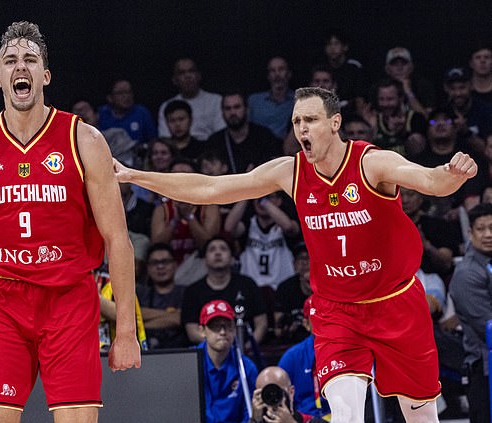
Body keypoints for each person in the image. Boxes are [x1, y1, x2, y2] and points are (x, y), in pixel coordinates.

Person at [114, 86, 479, 422]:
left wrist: (453, 173)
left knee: (421, 416)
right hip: (337, 310)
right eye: (296, 121)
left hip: (395, 302)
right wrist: (135, 175)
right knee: (346, 411)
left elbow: (431, 181)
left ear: (335, 123)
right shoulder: (290, 172)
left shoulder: (371, 163)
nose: (302, 129)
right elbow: (211, 187)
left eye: (311, 120)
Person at [0, 21, 140, 422]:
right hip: (0, 301)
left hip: (69, 299)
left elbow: (119, 239)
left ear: (45, 75)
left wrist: (127, 332)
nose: (20, 67)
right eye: (10, 61)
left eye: (30, 59)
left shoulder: (85, 139)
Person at [449, 202, 492, 423]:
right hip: (484, 372)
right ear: (470, 232)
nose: (488, 234)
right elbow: (487, 325)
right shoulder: (467, 274)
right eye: (481, 228)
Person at [181, 236, 267, 346]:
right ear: (204, 260)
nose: (217, 253)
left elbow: (261, 324)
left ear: (232, 258)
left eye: (223, 249)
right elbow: (192, 332)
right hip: (208, 353)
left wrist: (246, 348)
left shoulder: (248, 284)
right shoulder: (193, 291)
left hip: (246, 350)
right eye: (212, 250)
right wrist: (220, 347)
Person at [198, 299, 258, 423]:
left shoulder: (246, 367)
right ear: (202, 330)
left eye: (228, 326)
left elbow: (250, 414)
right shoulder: (189, 364)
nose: (223, 332)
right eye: (215, 326)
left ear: (235, 330)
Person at [278, 297, 330, 421]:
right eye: (316, 318)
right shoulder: (292, 357)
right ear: (306, 324)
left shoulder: (347, 352)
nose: (323, 321)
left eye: (327, 315)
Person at [206, 91, 282, 174]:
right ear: (222, 112)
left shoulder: (264, 136)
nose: (232, 113)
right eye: (228, 108)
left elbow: (276, 167)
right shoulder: (214, 141)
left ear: (247, 109)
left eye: (237, 107)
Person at [157, 57, 225, 141]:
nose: (187, 76)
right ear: (174, 80)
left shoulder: (216, 101)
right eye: (182, 73)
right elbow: (165, 141)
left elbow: (221, 135)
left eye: (191, 71)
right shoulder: (166, 106)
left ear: (199, 76)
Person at [135, 243, 187, 349]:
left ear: (175, 265)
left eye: (165, 262)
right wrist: (171, 314)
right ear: (148, 268)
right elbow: (134, 316)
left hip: (180, 352)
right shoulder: (140, 293)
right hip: (145, 352)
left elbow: (181, 319)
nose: (160, 267)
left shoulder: (186, 292)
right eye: (154, 263)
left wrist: (142, 324)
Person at [97, 78, 157, 145]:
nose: (126, 96)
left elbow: (153, 140)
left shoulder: (141, 112)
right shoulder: (101, 113)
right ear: (110, 98)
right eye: (120, 93)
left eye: (129, 92)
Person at [247, 57, 295, 139]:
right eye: (272, 70)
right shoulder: (254, 101)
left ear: (289, 73)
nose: (277, 74)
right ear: (268, 76)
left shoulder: (298, 101)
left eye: (281, 69)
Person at [383, 47, 436, 117]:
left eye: (404, 63)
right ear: (387, 69)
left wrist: (409, 93)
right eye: (395, 64)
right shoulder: (379, 89)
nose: (399, 68)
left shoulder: (424, 86)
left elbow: (429, 120)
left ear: (411, 67)